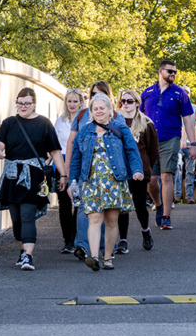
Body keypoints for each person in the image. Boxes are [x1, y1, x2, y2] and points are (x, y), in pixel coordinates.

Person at [0, 87, 65, 271]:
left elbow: (55, 152)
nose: (23, 107)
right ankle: (22, 251)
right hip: (12, 176)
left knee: (27, 216)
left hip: (34, 177)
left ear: (34, 104)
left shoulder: (44, 124)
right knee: (16, 219)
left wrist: (63, 175)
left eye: (27, 104)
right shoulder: (9, 123)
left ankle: (28, 256)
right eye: (20, 103)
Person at [69, 92, 144, 271]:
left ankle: (108, 257)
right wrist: (73, 180)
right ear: (91, 111)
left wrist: (137, 170)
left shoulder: (120, 128)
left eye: (102, 108)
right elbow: (76, 158)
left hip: (114, 180)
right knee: (94, 218)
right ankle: (94, 257)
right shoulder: (85, 131)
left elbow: (132, 151)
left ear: (110, 110)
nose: (99, 111)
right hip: (91, 181)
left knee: (111, 220)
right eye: (95, 109)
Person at [140, 59, 196, 230]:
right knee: (151, 180)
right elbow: (140, 118)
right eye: (169, 71)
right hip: (150, 140)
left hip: (170, 138)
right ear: (160, 71)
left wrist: (193, 143)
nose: (173, 74)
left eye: (175, 72)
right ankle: (158, 204)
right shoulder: (147, 92)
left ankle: (166, 216)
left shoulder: (180, 94)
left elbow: (188, 121)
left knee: (167, 176)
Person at [64, 81, 116, 260]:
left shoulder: (117, 117)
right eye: (93, 94)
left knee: (106, 212)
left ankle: (105, 248)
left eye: (102, 93)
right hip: (86, 172)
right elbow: (72, 144)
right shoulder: (81, 116)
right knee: (84, 209)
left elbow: (126, 145)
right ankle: (82, 247)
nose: (97, 97)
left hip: (109, 173)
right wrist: (68, 171)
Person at [115, 89, 159, 253]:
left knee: (140, 205)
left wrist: (146, 168)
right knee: (122, 206)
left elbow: (153, 150)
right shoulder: (116, 121)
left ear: (137, 103)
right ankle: (123, 240)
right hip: (120, 170)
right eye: (123, 101)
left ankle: (145, 231)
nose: (126, 104)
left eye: (130, 101)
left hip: (139, 172)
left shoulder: (146, 123)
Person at [54, 89, 82, 253]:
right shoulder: (60, 121)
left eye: (75, 101)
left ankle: (78, 237)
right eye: (69, 101)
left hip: (78, 164)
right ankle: (68, 241)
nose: (72, 104)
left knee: (79, 203)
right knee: (64, 204)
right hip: (62, 165)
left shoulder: (85, 120)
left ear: (80, 102)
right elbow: (55, 145)